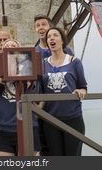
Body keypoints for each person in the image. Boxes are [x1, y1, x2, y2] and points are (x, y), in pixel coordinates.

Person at [36, 27, 88, 156]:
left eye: (55, 35)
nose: (51, 38)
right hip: (50, 118)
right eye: (49, 37)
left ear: (62, 41)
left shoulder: (74, 62)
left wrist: (81, 91)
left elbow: (83, 86)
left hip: (72, 117)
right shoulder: (42, 64)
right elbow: (40, 91)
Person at [33, 14, 74, 155]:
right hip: (43, 110)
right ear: (35, 30)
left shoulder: (67, 52)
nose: (41, 28)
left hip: (65, 109)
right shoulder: (34, 53)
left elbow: (74, 76)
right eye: (38, 26)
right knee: (46, 148)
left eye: (44, 24)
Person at [0, 39, 41, 156]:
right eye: (7, 46)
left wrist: (20, 66)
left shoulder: (28, 69)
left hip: (27, 126)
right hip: (4, 128)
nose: (10, 48)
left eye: (13, 46)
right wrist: (4, 67)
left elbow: (29, 89)